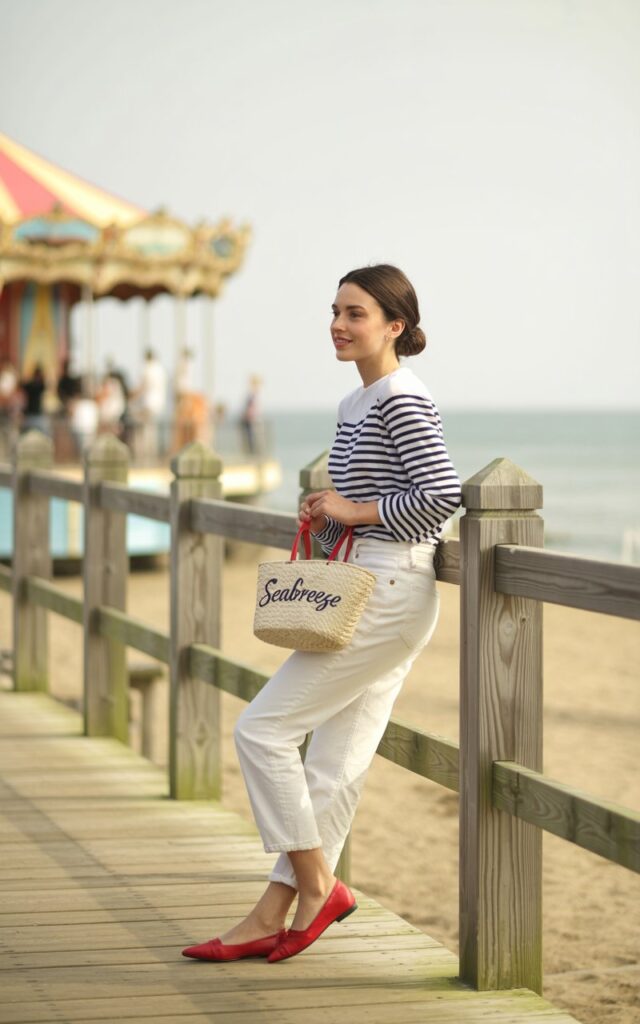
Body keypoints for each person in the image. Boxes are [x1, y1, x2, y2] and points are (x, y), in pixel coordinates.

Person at [182, 264, 462, 964]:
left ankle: (318, 886)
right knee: (333, 768)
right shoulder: (355, 402)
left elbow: (441, 495)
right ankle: (270, 914)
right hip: (367, 583)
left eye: (356, 313)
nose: (339, 323)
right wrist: (328, 510)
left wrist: (352, 509)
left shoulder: (401, 396)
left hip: (390, 590)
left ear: (395, 325)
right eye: (335, 310)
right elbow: (377, 494)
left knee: (261, 730)